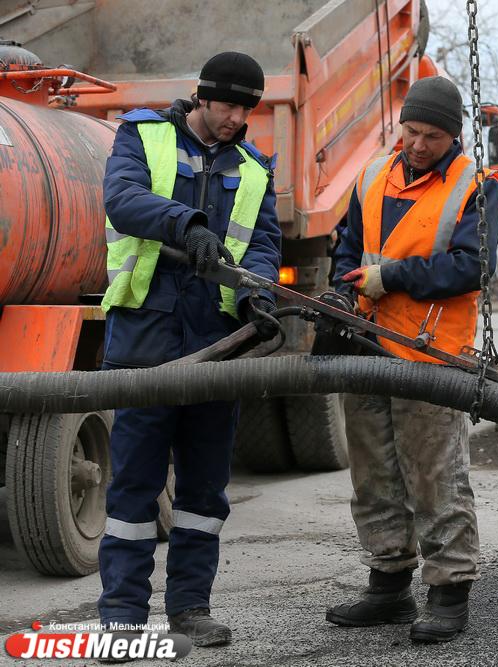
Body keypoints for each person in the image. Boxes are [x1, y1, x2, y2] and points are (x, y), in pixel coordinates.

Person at [99, 51, 281, 648]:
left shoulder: (254, 169)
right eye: (227, 104)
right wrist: (187, 224)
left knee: (203, 492)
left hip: (217, 344)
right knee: (133, 489)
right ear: (201, 97)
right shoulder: (142, 135)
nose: (235, 118)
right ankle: (122, 615)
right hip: (145, 342)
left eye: (245, 108)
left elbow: (263, 244)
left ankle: (190, 611)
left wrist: (259, 296)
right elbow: (122, 200)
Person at [324, 76, 498, 643]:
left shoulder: (478, 183)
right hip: (366, 343)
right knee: (373, 473)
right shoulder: (375, 173)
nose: (419, 144)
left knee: (434, 477)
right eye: (411, 131)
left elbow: (472, 266)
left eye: (432, 136)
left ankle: (450, 593)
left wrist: (389, 277)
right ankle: (389, 586)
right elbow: (347, 247)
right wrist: (339, 288)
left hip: (432, 354)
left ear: (452, 137)